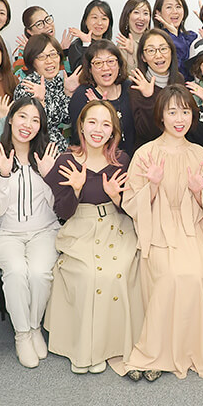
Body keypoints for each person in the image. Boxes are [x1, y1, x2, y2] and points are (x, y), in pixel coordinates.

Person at [124, 85, 203, 380]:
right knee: (169, 275)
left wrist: (197, 193)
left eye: (185, 112)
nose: (179, 119)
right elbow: (131, 204)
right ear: (161, 116)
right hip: (157, 228)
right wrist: (152, 186)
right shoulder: (145, 154)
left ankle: (180, 351)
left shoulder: (200, 154)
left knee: (195, 273)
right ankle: (153, 353)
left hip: (193, 228)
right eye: (172, 112)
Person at [44, 100, 142, 375]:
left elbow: (130, 209)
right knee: (88, 274)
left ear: (113, 131)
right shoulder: (66, 161)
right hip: (80, 227)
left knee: (116, 272)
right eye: (92, 122)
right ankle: (84, 349)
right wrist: (75, 190)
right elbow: (62, 212)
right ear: (82, 126)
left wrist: (115, 197)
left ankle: (107, 347)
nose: (98, 129)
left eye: (105, 124)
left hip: (116, 226)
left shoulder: (122, 160)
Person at [0, 97, 59, 368]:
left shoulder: (47, 157)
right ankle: (22, 334)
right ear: (11, 119)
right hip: (7, 233)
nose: (28, 124)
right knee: (16, 272)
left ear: (41, 126)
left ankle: (34, 327)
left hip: (44, 231)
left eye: (35, 120)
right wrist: (4, 175)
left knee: (39, 274)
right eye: (23, 116)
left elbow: (57, 205)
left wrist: (50, 176)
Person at [68, 39, 136, 156]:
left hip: (133, 159)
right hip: (99, 161)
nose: (105, 67)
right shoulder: (83, 96)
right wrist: (98, 111)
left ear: (119, 64)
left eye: (111, 61)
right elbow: (79, 140)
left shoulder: (130, 88)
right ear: (90, 69)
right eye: (98, 63)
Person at [15, 33, 77, 151]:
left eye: (53, 54)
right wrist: (41, 102)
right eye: (42, 57)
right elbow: (41, 126)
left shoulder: (57, 81)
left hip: (58, 147)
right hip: (37, 150)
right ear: (32, 61)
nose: (49, 61)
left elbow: (66, 119)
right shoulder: (27, 87)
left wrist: (69, 93)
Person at [129, 28, 187, 150]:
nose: (159, 55)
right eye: (151, 50)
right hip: (149, 152)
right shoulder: (137, 86)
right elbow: (147, 132)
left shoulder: (179, 79)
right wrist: (148, 98)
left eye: (163, 48)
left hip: (177, 148)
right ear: (143, 57)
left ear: (171, 51)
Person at [12, 5, 76, 73]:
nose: (47, 25)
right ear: (30, 32)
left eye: (48, 19)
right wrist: (31, 54)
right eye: (39, 24)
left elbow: (66, 73)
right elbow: (18, 75)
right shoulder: (24, 49)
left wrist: (63, 53)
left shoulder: (54, 46)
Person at [153, 0, 197, 80]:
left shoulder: (191, 37)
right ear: (158, 13)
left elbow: (193, 70)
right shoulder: (154, 41)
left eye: (178, 7)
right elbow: (177, 71)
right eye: (169, 7)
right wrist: (174, 36)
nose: (175, 11)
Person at [66, 0, 114, 72]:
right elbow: (80, 73)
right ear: (85, 21)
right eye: (94, 17)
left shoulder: (110, 45)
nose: (99, 23)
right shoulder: (76, 46)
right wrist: (86, 44)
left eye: (104, 19)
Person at [115, 0, 153, 73]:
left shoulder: (154, 40)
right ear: (127, 17)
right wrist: (130, 55)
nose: (141, 18)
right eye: (136, 12)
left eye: (145, 13)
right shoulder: (123, 44)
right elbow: (129, 76)